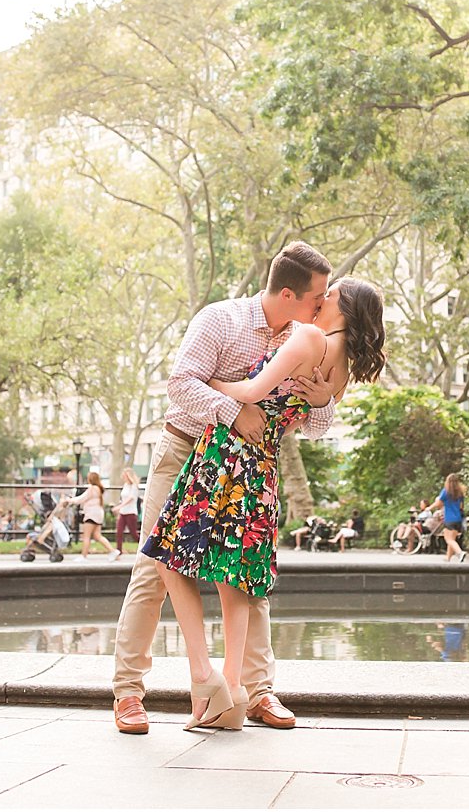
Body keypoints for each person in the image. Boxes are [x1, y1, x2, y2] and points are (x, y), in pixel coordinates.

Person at [110, 241, 344, 735]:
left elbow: (314, 425)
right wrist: (235, 410)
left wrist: (324, 401)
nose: (322, 305)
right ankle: (129, 693)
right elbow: (180, 385)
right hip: (182, 454)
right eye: (316, 297)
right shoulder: (220, 320)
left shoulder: (305, 338)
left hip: (243, 471)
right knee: (155, 568)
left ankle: (254, 692)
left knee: (245, 578)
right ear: (288, 292)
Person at [142, 274, 385, 731]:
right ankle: (231, 690)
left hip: (227, 453)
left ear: (343, 307)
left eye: (328, 295)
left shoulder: (309, 337)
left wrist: (213, 381)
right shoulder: (344, 368)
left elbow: (252, 393)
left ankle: (205, 674)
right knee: (236, 578)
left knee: (168, 557)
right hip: (263, 466)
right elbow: (302, 421)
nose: (320, 300)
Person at [68, 471, 115, 558]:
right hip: (98, 514)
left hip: (91, 514)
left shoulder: (92, 489)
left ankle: (83, 556)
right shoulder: (99, 489)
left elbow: (81, 499)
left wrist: (69, 500)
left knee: (86, 536)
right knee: (97, 536)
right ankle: (113, 551)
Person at [428, 472, 468, 562]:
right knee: (452, 539)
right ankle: (448, 558)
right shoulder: (460, 492)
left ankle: (460, 553)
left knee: (448, 539)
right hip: (458, 519)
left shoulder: (446, 491)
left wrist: (429, 508)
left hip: (449, 518)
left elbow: (438, 503)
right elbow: (461, 506)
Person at [111, 468, 140, 558]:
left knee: (133, 533)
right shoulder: (125, 485)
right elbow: (123, 498)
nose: (123, 477)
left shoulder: (134, 486)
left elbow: (130, 498)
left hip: (131, 513)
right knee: (119, 532)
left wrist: (119, 506)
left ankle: (144, 548)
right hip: (123, 513)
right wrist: (118, 507)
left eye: (125, 475)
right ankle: (118, 551)